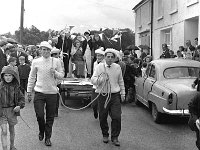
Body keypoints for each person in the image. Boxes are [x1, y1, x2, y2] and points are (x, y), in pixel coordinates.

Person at [27, 41, 64, 146]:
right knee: (39, 115)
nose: (46, 51)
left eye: (48, 50)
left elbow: (61, 76)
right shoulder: (36, 62)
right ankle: (41, 130)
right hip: (39, 92)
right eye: (44, 49)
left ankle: (48, 137)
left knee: (50, 117)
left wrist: (55, 73)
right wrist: (29, 90)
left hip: (52, 93)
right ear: (40, 50)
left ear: (50, 51)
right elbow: (32, 77)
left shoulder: (56, 61)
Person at [91, 48, 125, 146]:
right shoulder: (99, 67)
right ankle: (105, 134)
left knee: (116, 116)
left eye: (111, 57)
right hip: (103, 95)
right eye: (108, 57)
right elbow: (93, 80)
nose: (109, 59)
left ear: (114, 58)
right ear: (105, 58)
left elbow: (121, 81)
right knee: (103, 116)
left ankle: (115, 137)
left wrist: (123, 93)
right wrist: (101, 79)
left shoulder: (117, 67)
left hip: (115, 95)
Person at [0, 66, 25, 150]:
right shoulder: (0, 87)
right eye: (6, 75)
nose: (7, 77)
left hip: (12, 111)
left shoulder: (16, 87)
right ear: (3, 76)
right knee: (4, 131)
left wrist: (19, 106)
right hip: (2, 111)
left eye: (10, 75)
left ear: (13, 76)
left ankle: (12, 146)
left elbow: (21, 98)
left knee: (12, 129)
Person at [91, 47, 105, 119]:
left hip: (103, 86)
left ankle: (102, 116)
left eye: (100, 56)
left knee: (102, 104)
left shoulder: (105, 64)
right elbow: (94, 74)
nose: (98, 57)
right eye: (97, 56)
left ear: (103, 56)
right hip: (95, 86)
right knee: (94, 104)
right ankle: (95, 111)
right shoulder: (94, 63)